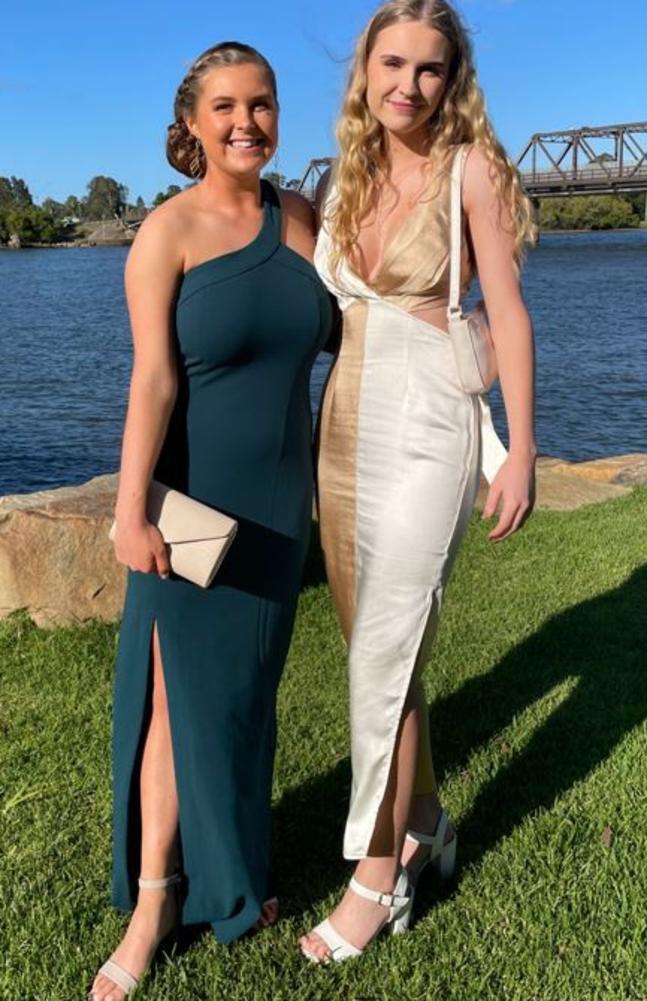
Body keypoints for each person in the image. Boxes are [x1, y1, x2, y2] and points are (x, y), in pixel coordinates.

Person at [90, 41, 332, 1001]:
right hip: (189, 507)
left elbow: (364, 320)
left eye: (263, 104)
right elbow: (151, 378)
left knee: (241, 703)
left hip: (280, 507)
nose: (247, 122)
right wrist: (127, 505)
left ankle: (234, 876)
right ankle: (156, 901)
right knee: (172, 708)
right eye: (225, 106)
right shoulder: (167, 233)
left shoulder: (302, 217)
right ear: (191, 122)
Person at [299, 0, 536, 963]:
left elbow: (508, 313)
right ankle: (430, 818)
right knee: (374, 643)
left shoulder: (469, 168)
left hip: (432, 418)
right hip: (345, 421)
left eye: (429, 69)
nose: (408, 84)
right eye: (390, 63)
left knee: (386, 646)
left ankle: (376, 874)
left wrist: (519, 449)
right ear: (364, 71)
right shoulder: (346, 175)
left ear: (452, 79)